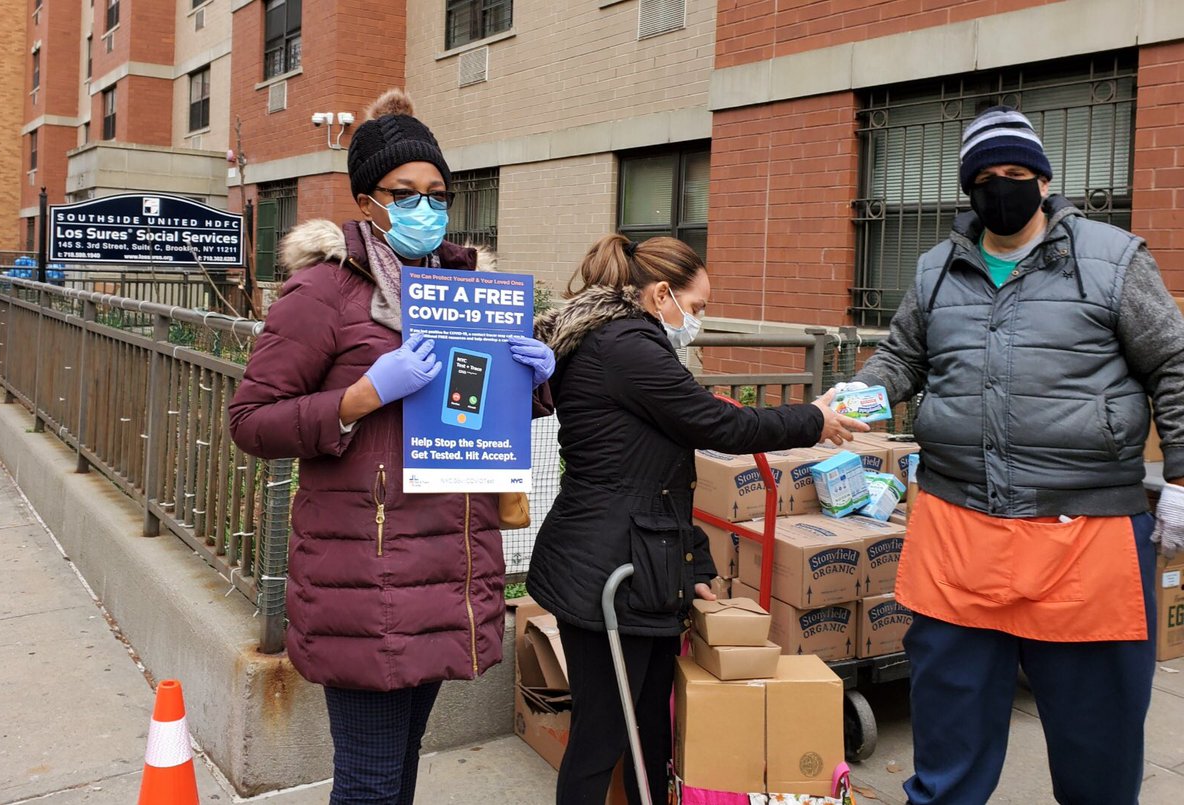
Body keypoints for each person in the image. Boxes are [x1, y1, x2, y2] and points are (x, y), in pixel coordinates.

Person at [846, 105, 1184, 805]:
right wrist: (854, 396)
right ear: (968, 188)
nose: (1004, 186)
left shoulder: (1112, 259)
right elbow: (901, 357)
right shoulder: (939, 269)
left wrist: (1183, 476)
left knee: (1099, 756)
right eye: (988, 176)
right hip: (958, 532)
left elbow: (1175, 363)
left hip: (1084, 536)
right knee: (950, 752)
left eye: (1018, 173)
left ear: (1043, 178)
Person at [228, 89, 555, 805]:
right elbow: (252, 419)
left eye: (438, 193)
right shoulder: (322, 292)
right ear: (367, 199)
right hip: (365, 575)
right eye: (405, 192)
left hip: (447, 565)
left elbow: (472, 415)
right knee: (372, 784)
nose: (426, 208)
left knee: (401, 768)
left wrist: (532, 383)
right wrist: (359, 397)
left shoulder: (464, 286)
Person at [526, 234, 870, 804]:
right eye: (700, 306)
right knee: (603, 736)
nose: (699, 319)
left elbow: (662, 475)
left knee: (651, 728)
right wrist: (811, 418)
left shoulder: (618, 341)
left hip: (638, 565)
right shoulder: (627, 347)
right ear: (662, 293)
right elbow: (719, 426)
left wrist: (694, 564)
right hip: (608, 573)